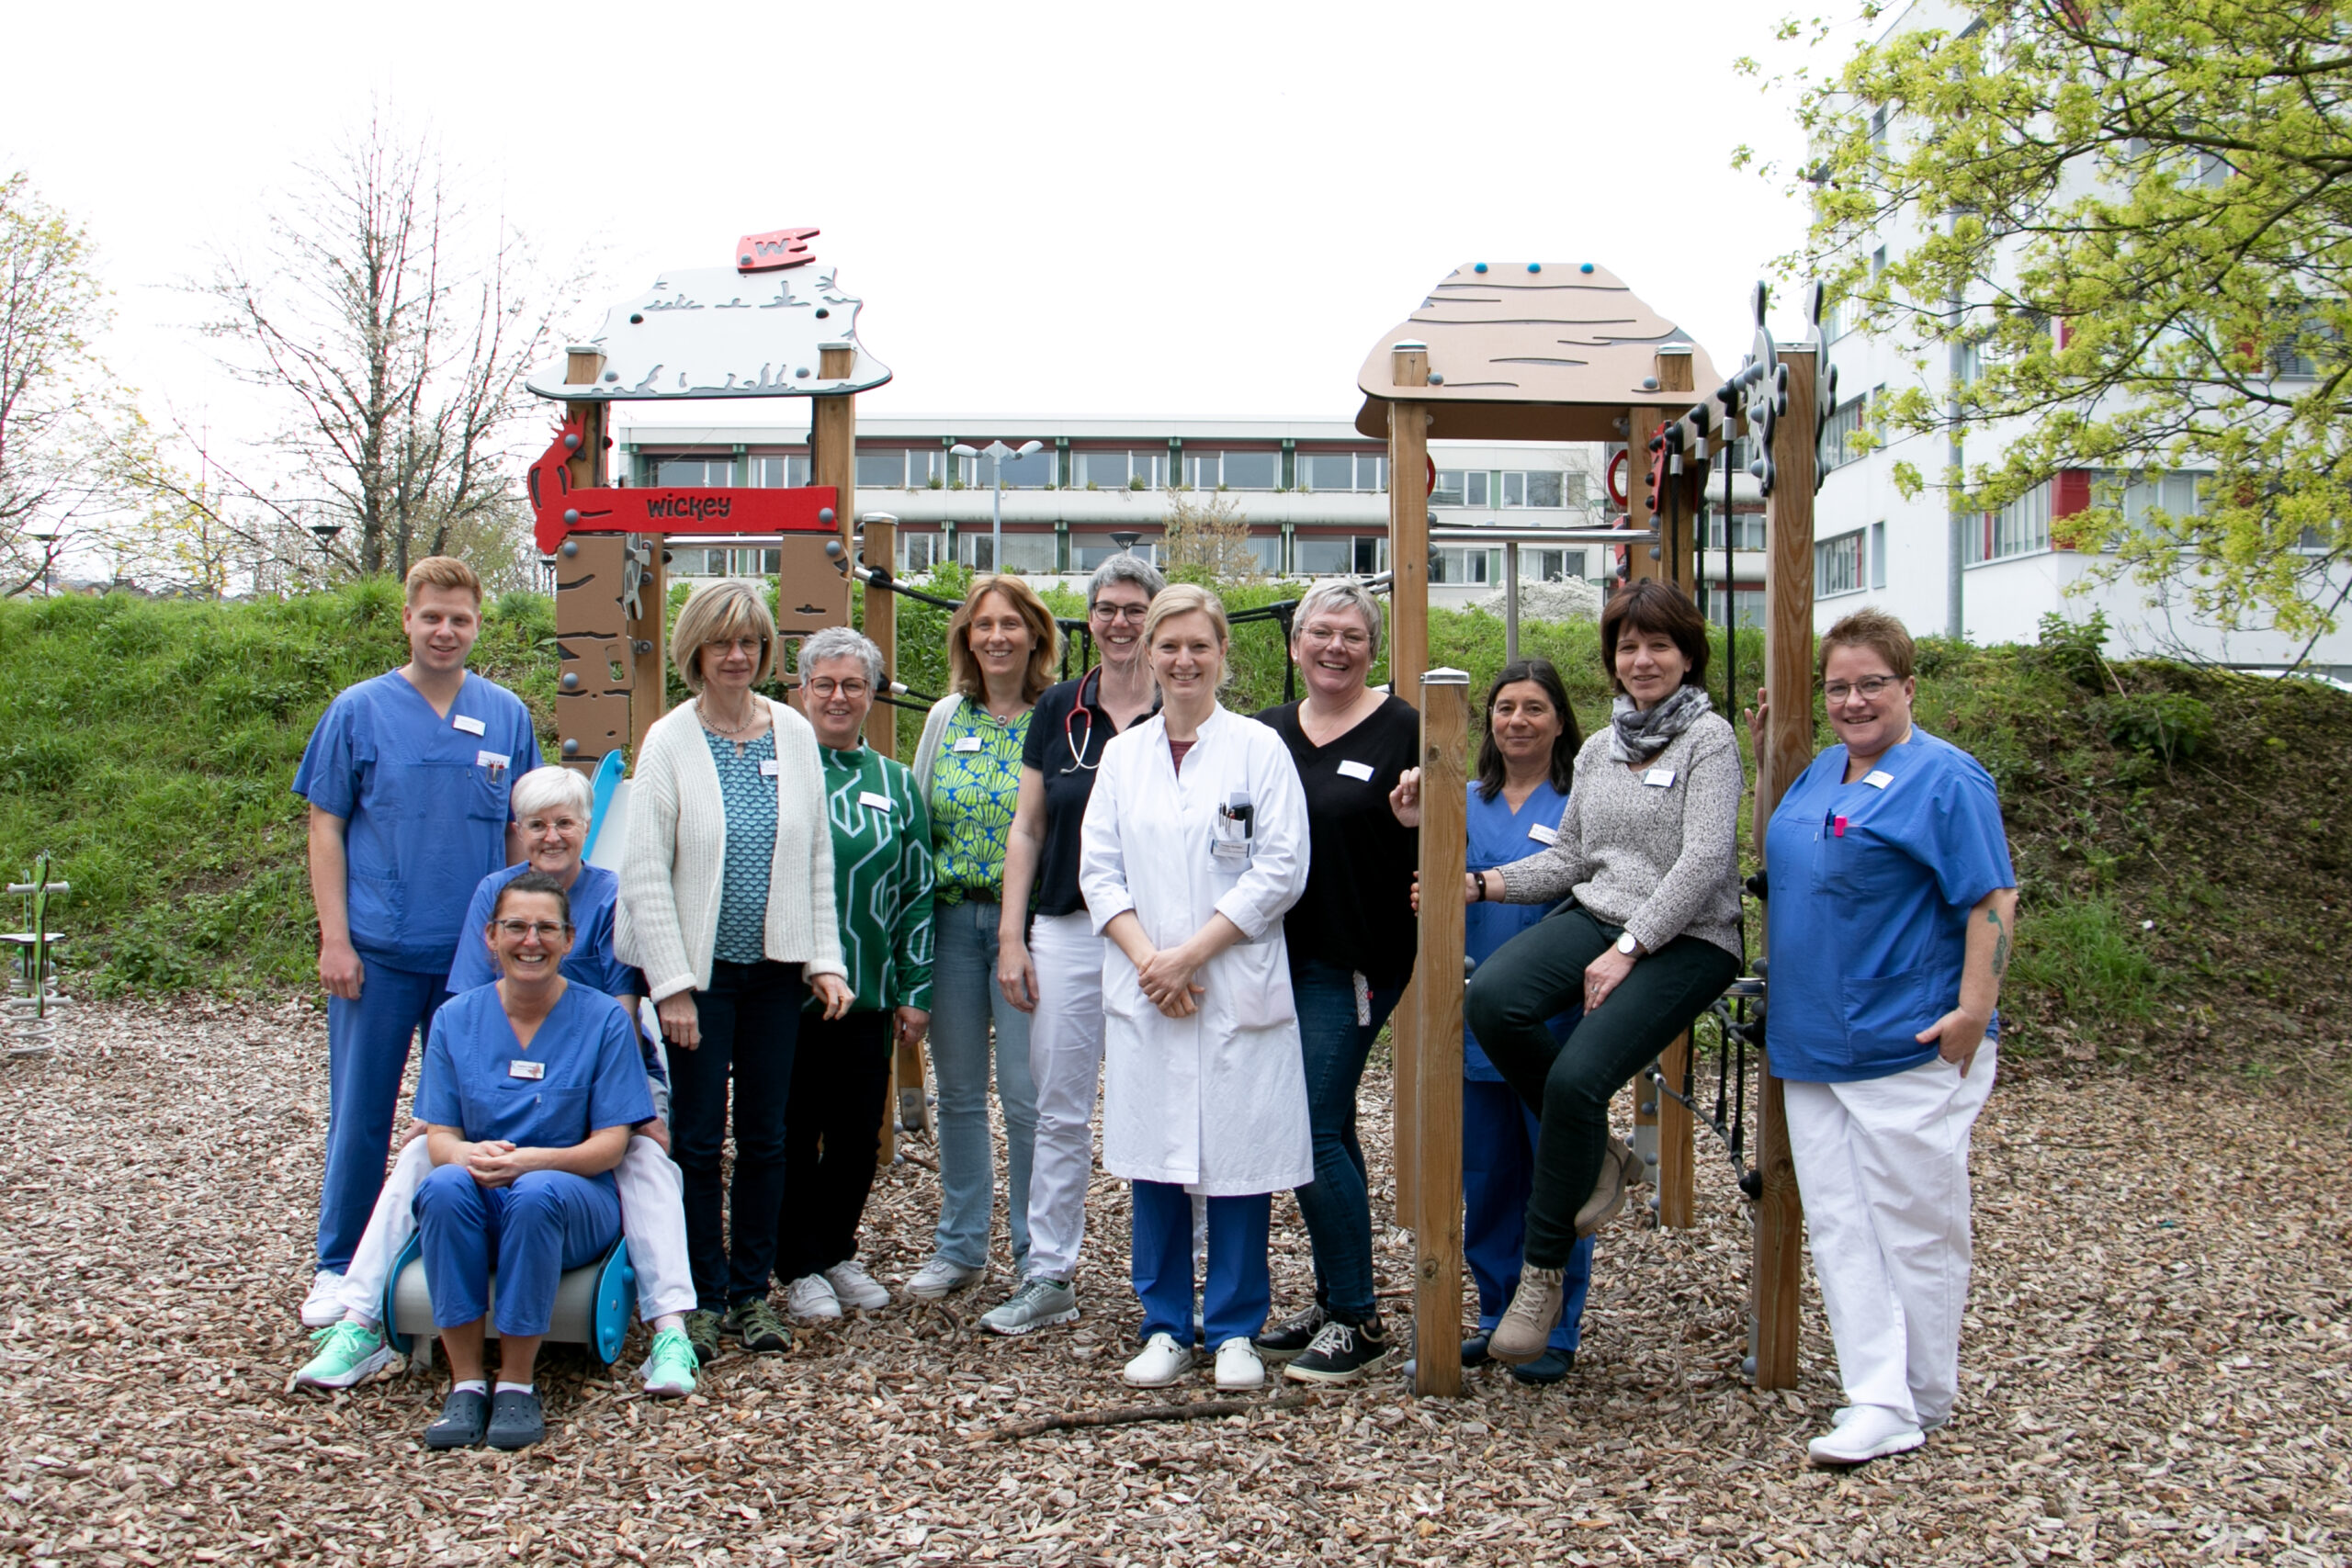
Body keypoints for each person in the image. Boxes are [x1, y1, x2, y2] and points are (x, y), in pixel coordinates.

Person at [293, 766, 701, 1399]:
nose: (552, 835)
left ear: (586, 827)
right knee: (419, 1156)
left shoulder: (614, 893)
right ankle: (359, 1318)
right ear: (519, 832)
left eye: (564, 822)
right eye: (537, 824)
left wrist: (616, 1102)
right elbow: (467, 1005)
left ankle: (670, 1324)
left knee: (645, 1156)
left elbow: (620, 1007)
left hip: (603, 1057)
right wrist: (449, 1107)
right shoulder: (494, 892)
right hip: (505, 1057)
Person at [1752, 608, 2017, 1466]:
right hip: (1813, 1041)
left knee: (1915, 1221)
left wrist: (1973, 1010)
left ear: (1907, 687)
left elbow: (1990, 898)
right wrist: (1764, 764)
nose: (1854, 700)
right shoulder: (1824, 769)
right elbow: (1781, 857)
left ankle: (1918, 1392)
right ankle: (1878, 1392)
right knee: (1837, 1221)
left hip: (1904, 1038)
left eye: (1872, 683)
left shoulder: (1946, 778)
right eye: (1839, 686)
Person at [1455, 580, 1744, 1364]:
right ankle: (1598, 1154)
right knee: (1494, 1002)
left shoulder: (1709, 739)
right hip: (1598, 910)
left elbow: (1706, 859)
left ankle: (1541, 1277)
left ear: (1687, 655)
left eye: (1658, 645)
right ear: (1613, 661)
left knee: (1578, 1076)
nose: (1642, 659)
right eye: (1628, 646)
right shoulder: (1599, 746)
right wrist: (1486, 883)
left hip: (1688, 935)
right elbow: (1575, 857)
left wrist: (1630, 947)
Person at [291, 556, 542, 1327]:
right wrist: (336, 938)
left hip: (473, 965)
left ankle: (475, 1249)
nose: (445, 630)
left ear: (477, 626)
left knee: (483, 1112)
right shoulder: (359, 711)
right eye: (431, 616)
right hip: (380, 952)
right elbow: (326, 826)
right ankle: (340, 1263)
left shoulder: (506, 715)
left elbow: (520, 835)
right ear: (406, 618)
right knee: (363, 1110)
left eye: (460, 619)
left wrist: (520, 948)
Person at [1078, 584, 1313, 1393]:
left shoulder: (1258, 748)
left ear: (1223, 655)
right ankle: (1166, 1324)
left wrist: (1192, 956)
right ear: (1147, 654)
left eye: (1199, 647)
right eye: (1168, 645)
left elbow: (1282, 867)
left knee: (1239, 1157)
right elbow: (1098, 870)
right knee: (1157, 1158)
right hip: (1150, 985)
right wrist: (1154, 960)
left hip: (1227, 980)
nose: (1183, 660)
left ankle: (1237, 1327)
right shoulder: (1122, 755)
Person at [618, 580, 852, 1364]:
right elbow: (645, 869)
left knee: (766, 1137)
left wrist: (826, 960)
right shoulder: (669, 740)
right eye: (722, 641)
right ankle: (702, 1292)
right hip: (700, 975)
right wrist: (672, 984)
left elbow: (815, 853)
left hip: (774, 971)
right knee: (694, 1141)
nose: (737, 654)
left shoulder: (790, 731)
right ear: (695, 650)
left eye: (750, 641)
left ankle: (752, 1292)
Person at [1398, 660, 1599, 1384]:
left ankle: (1555, 1325)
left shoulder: (1578, 801)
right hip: (1470, 1015)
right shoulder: (1463, 797)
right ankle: (1494, 1312)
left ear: (1559, 721)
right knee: (1484, 1177)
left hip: (1554, 1020)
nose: (1518, 720)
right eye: (1506, 706)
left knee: (1556, 1175)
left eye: (1535, 708)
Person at [983, 552, 1166, 1336]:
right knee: (1057, 1104)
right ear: (1087, 619)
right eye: (1107, 608)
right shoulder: (1060, 705)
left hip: (1158, 937)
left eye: (1135, 608)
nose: (1120, 622)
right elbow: (1029, 827)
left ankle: (1173, 1275)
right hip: (1065, 927)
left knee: (1162, 1095)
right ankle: (1049, 1269)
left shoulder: (1182, 704)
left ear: (1156, 618)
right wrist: (1011, 936)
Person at [408, 872, 654, 1450]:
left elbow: (611, 1146)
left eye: (547, 928)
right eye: (516, 927)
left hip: (572, 1196)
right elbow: (439, 1136)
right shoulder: (455, 1020)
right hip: (480, 1189)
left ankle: (516, 1383)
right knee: (443, 1186)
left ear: (569, 940)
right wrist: (468, 1154)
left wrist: (535, 1161)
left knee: (536, 1193)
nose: (531, 941)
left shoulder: (603, 1021)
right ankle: (466, 1383)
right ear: (490, 937)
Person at [1248, 579, 1419, 1384]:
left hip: (1353, 957)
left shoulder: (1405, 730)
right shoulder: (1264, 732)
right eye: (1320, 632)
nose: (1334, 647)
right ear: (1295, 643)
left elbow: (1449, 831)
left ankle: (1358, 1317)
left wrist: (1424, 816)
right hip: (1268, 955)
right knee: (1332, 1123)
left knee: (1309, 1125)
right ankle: (1335, 1295)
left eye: (1352, 634)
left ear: (1372, 647)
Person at [775, 628, 936, 1321]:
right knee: (787, 1129)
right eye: (825, 684)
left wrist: (915, 990)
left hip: (867, 994)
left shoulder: (895, 784)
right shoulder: (775, 767)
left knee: (853, 1136)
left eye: (853, 685)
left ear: (872, 694)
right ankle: (796, 1260)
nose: (838, 697)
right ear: (802, 690)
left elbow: (917, 891)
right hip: (785, 995)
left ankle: (836, 1249)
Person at [906, 574, 1058, 1299]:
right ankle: (962, 1245)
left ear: (1035, 635)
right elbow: (915, 821)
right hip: (949, 920)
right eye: (982, 624)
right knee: (960, 1092)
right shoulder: (945, 716)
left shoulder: (1056, 719)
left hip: (1026, 927)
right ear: (967, 636)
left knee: (1028, 1096)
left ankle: (1037, 1253)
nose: (997, 636)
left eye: (1011, 624)